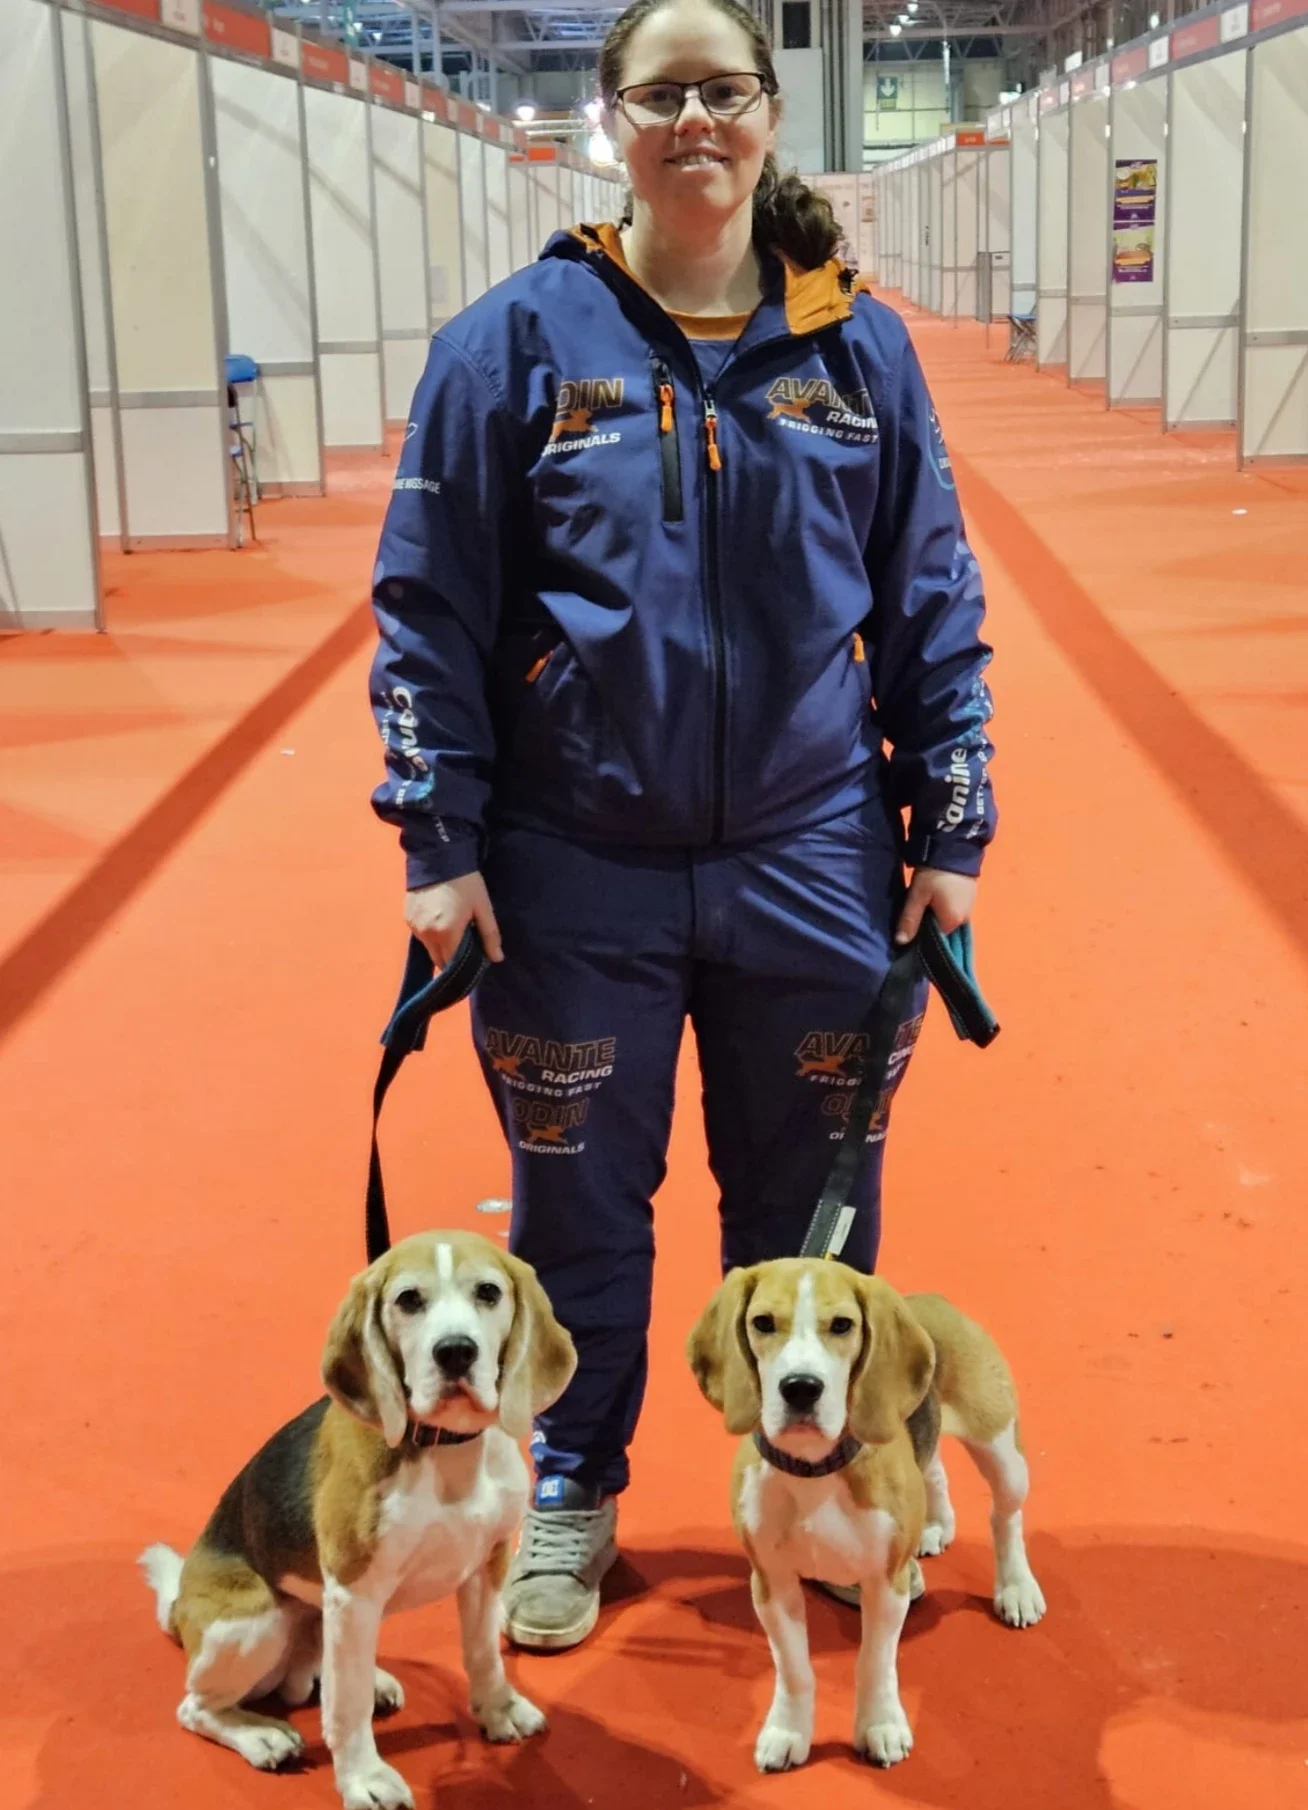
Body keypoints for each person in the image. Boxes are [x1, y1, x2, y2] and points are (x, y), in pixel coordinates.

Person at [367, 0, 995, 1652]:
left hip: (815, 854)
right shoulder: (511, 346)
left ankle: (823, 1487)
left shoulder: (858, 349)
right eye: (662, 95)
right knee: (576, 1211)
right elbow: (428, 609)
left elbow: (930, 593)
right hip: (576, 866)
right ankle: (572, 1482)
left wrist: (952, 821)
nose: (695, 121)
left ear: (772, 115)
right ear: (612, 124)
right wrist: (439, 842)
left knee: (812, 1218)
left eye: (725, 91)